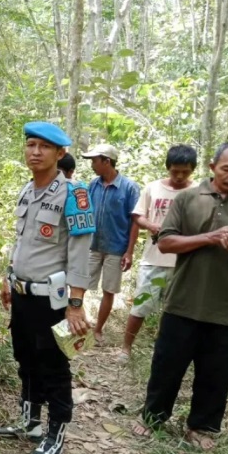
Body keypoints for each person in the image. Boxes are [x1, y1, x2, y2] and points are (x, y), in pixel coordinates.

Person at [134, 142, 228, 450]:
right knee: (167, 365)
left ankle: (202, 428)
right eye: (227, 169)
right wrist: (208, 237)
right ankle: (152, 418)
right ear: (212, 166)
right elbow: (165, 243)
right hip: (183, 299)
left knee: (216, 372)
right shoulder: (188, 198)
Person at [0, 122, 93, 454]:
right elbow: (21, 242)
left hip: (53, 300)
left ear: (59, 153)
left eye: (44, 147)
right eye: (30, 145)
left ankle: (55, 434)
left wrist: (76, 305)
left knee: (53, 367)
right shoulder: (26, 191)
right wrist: (8, 277)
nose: (35, 152)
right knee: (26, 360)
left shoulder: (75, 196)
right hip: (23, 295)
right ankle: (29, 422)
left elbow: (81, 255)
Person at [118, 145, 197, 362]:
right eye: (175, 171)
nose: (180, 176)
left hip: (184, 262)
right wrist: (151, 226)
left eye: (185, 172)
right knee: (141, 305)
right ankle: (126, 348)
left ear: (193, 170)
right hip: (153, 260)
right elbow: (138, 216)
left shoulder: (198, 191)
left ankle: (168, 352)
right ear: (168, 168)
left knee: (177, 312)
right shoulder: (153, 188)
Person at [83, 143, 140, 345]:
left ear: (107, 161)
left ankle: (98, 330)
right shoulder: (93, 185)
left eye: (95, 161)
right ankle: (78, 322)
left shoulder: (130, 188)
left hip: (116, 248)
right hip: (92, 244)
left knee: (109, 289)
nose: (92, 165)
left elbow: (135, 221)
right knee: (81, 283)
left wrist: (130, 251)